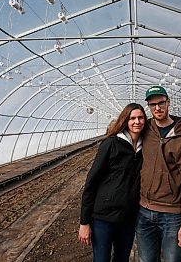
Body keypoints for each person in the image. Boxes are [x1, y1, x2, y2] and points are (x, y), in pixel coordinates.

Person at [136, 86, 181, 262]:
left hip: (171, 215)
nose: (157, 108)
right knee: (146, 259)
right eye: (152, 104)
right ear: (148, 106)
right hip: (143, 211)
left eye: (161, 103)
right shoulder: (145, 128)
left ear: (168, 102)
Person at [79, 103, 147, 262]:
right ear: (125, 120)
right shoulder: (111, 144)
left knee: (122, 258)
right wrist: (84, 222)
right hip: (104, 217)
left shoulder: (145, 148)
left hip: (128, 218)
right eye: (132, 118)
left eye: (140, 117)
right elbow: (91, 183)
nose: (137, 121)